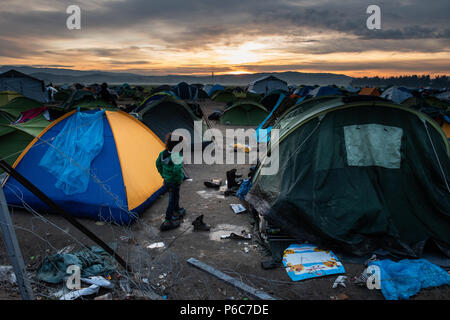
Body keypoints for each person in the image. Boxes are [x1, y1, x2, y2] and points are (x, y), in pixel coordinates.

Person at [156, 133, 186, 231]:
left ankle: (176, 210)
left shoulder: (163, 153)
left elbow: (158, 164)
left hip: (167, 181)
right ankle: (168, 220)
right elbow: (177, 170)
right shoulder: (176, 156)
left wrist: (163, 175)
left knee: (175, 196)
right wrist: (178, 179)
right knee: (172, 200)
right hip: (174, 182)